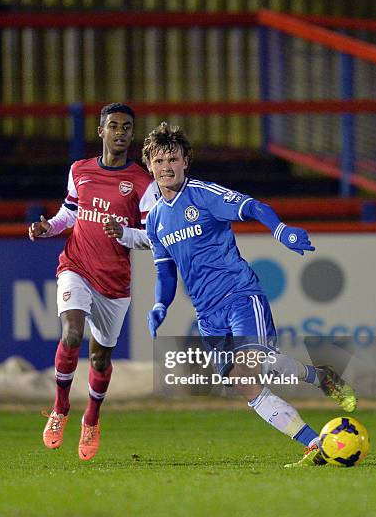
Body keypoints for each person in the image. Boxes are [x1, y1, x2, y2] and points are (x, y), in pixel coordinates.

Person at [143, 122, 357, 468]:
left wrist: (281, 230)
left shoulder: (204, 194)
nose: (166, 167)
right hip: (207, 312)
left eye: (173, 159)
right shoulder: (154, 220)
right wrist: (159, 303)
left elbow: (252, 206)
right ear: (149, 166)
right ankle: (316, 428)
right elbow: (165, 270)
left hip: (240, 295)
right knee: (245, 384)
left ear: (186, 161)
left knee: (254, 362)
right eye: (159, 160)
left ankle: (321, 406)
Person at [29, 103, 157, 460]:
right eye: (113, 125)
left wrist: (126, 232)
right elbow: (69, 212)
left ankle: (92, 417)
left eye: (127, 127)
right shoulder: (80, 169)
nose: (120, 132)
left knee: (100, 360)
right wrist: (47, 227)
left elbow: (152, 236)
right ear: (101, 131)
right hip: (76, 265)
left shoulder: (143, 181)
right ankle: (60, 409)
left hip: (115, 282)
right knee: (71, 333)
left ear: (132, 134)